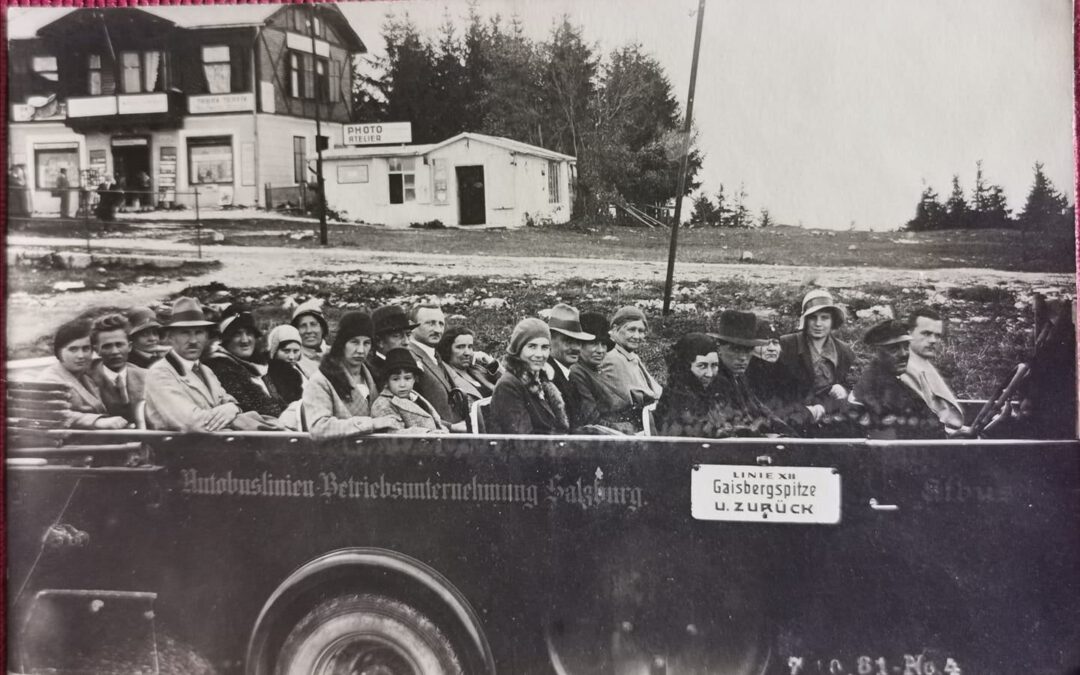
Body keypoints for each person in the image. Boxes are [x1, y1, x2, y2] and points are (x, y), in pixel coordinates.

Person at [145, 297, 279, 432]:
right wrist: (234, 414)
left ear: (207, 336)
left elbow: (229, 402)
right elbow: (191, 422)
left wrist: (234, 408)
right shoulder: (160, 373)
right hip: (178, 450)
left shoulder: (205, 370)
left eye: (199, 332)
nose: (193, 340)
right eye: (185, 333)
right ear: (170, 337)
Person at [302, 311, 402, 439]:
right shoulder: (321, 380)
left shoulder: (375, 376)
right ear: (341, 344)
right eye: (354, 342)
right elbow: (318, 427)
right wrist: (371, 424)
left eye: (366, 343)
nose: (361, 350)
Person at [849, 319, 943, 439]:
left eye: (906, 347)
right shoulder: (874, 388)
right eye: (894, 349)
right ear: (875, 353)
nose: (904, 354)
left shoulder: (898, 379)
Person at [708, 310, 794, 438]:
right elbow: (730, 428)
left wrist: (790, 435)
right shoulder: (716, 379)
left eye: (748, 350)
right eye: (735, 349)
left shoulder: (740, 377)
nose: (743, 358)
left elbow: (762, 411)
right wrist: (769, 438)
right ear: (719, 348)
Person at [39, 319, 129, 430]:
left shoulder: (86, 376)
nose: (81, 355)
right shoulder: (50, 379)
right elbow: (52, 413)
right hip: (72, 443)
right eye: (73, 349)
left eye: (86, 349)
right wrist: (98, 421)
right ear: (58, 352)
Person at [488, 318, 569, 435]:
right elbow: (524, 443)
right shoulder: (508, 386)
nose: (539, 354)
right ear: (518, 349)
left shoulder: (541, 381)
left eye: (545, 347)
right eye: (532, 346)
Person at [778, 289, 855, 407]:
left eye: (824, 318)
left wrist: (843, 390)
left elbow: (851, 383)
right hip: (793, 412)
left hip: (830, 413)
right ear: (805, 320)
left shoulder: (844, 351)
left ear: (832, 321)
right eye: (813, 317)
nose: (818, 324)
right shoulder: (787, 344)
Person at [204, 311, 286, 418]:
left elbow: (278, 403)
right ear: (226, 340)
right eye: (237, 334)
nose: (245, 340)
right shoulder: (221, 368)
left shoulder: (256, 365)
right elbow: (254, 409)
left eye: (249, 333)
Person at [566, 312, 636, 433]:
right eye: (593, 344)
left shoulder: (595, 368)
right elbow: (591, 420)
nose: (600, 350)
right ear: (579, 344)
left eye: (603, 344)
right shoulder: (577, 373)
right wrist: (625, 429)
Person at [900, 307, 966, 433]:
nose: (933, 340)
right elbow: (927, 424)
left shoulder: (921, 362)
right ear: (908, 334)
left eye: (937, 335)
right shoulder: (905, 368)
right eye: (926, 333)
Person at [599, 306, 663, 421]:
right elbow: (628, 401)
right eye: (631, 330)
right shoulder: (612, 358)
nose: (637, 336)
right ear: (615, 329)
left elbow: (655, 390)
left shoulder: (630, 355)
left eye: (641, 331)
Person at [408, 303, 464, 427]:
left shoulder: (435, 356)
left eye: (441, 324)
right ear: (412, 325)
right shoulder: (408, 357)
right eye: (430, 323)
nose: (438, 330)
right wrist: (451, 427)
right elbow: (410, 408)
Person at [654, 333, 721, 437]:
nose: (710, 374)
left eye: (714, 365)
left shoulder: (708, 393)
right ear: (685, 367)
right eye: (702, 366)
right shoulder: (678, 398)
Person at [371, 348, 448, 433]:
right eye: (395, 379)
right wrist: (427, 433)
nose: (402, 384)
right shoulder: (383, 404)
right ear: (387, 381)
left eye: (407, 378)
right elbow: (394, 435)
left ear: (414, 379)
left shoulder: (415, 396)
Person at [88, 313, 146, 424]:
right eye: (107, 346)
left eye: (119, 345)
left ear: (129, 347)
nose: (114, 352)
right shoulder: (87, 380)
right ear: (96, 350)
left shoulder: (146, 377)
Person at [437, 326, 501, 422]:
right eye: (460, 347)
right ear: (447, 349)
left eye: (470, 347)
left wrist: (492, 363)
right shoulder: (446, 375)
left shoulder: (477, 369)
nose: (467, 353)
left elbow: (510, 385)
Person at [546, 303, 594, 412]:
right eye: (568, 341)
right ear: (550, 339)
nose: (576, 348)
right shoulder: (546, 377)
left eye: (579, 342)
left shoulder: (568, 375)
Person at [368, 304, 417, 389]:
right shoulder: (372, 371)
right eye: (397, 336)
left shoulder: (411, 365)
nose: (406, 342)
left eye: (408, 335)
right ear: (379, 341)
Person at [263, 324, 306, 406]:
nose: (291, 357)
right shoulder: (266, 373)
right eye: (286, 351)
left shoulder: (299, 369)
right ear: (274, 351)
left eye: (296, 351)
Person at [291, 299, 330, 378]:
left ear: (322, 328)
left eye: (313, 324)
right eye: (303, 326)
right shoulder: (292, 359)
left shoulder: (339, 354)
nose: (309, 331)